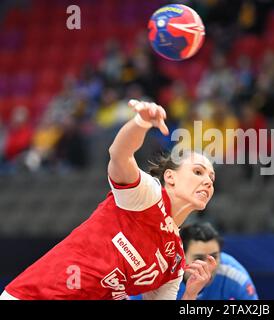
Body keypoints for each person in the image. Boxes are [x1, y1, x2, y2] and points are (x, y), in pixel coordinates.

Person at [0, 99, 217, 300]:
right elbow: (119, 154)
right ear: (170, 177)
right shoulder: (148, 195)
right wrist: (141, 122)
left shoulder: (174, 262)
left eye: (211, 177)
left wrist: (189, 296)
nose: (208, 181)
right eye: (198, 172)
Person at [131, 222, 258, 300]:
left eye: (214, 256)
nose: (207, 266)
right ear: (180, 257)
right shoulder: (155, 275)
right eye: (199, 258)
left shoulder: (234, 276)